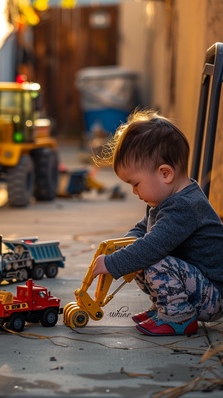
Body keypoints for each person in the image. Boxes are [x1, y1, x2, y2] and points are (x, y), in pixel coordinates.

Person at [92, 109, 223, 336]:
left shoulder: (184, 207)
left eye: (135, 183)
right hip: (196, 286)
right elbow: (143, 229)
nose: (134, 191)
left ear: (165, 174)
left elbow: (153, 245)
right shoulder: (164, 200)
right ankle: (165, 308)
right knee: (138, 256)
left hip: (213, 296)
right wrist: (122, 244)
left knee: (150, 259)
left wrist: (113, 263)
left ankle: (179, 316)